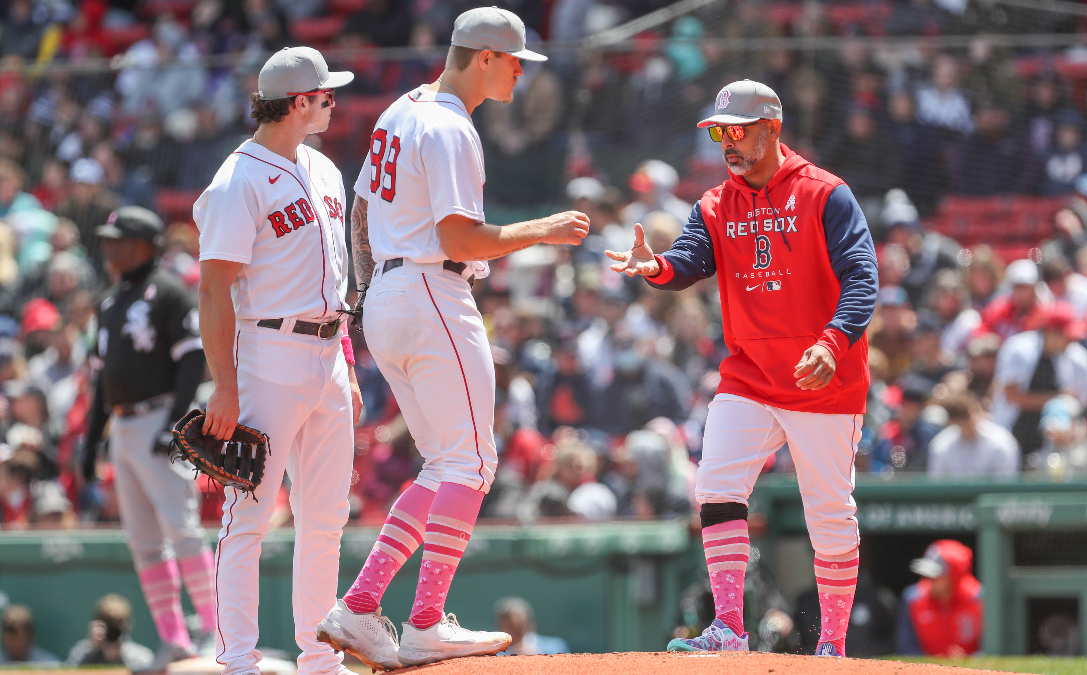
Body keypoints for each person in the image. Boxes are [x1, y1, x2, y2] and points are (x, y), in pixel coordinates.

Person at [316, 7, 588, 669]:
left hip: (388, 290)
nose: (522, 72)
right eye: (517, 59)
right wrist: (542, 228)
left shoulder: (404, 108)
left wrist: (367, 290)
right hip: (432, 289)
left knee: (444, 464)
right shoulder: (450, 126)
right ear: (486, 56)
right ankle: (426, 620)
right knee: (472, 464)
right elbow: (460, 239)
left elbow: (360, 206)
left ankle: (360, 604)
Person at [606, 79, 879, 658]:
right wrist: (654, 266)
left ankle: (832, 644)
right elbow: (688, 262)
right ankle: (729, 628)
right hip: (751, 374)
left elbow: (863, 279)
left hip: (820, 376)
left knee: (829, 512)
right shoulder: (714, 202)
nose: (727, 142)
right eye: (720, 131)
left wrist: (832, 344)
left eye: (739, 130)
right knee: (716, 488)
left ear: (772, 129)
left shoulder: (826, 194)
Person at [192, 46, 361, 675]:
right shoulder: (237, 180)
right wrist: (224, 388)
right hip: (266, 354)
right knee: (249, 517)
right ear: (299, 103)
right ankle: (239, 662)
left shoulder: (321, 168)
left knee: (325, 518)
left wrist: (342, 356)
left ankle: (319, 661)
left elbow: (334, 276)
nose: (333, 103)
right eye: (325, 95)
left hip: (326, 355)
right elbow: (214, 290)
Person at [80, 206, 212, 670]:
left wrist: (176, 424)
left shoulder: (170, 292)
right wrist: (92, 441)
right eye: (107, 239)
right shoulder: (111, 300)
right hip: (125, 426)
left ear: (144, 244)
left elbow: (194, 358)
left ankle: (219, 633)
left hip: (160, 418)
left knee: (184, 531)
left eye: (118, 239)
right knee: (144, 543)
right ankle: (176, 639)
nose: (109, 247)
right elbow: (101, 381)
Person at [991, 302, 1087, 457]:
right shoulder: (1018, 349)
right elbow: (1012, 396)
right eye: (1066, 336)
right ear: (1050, 332)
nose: (1071, 341)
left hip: (1057, 443)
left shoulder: (1079, 358)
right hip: (1013, 434)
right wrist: (1057, 398)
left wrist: (1075, 430)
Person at [895, 540, 983, 657]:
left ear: (954, 575)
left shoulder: (980, 599)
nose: (930, 581)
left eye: (936, 576)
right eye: (928, 576)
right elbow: (906, 649)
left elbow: (992, 651)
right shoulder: (912, 599)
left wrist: (967, 660)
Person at [927, 390, 1020, 478]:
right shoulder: (942, 445)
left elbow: (1005, 483)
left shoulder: (1001, 441)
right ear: (953, 422)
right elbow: (938, 483)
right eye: (964, 424)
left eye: (972, 418)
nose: (970, 426)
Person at [65, 594, 155, 670]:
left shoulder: (140, 657)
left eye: (117, 623)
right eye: (108, 623)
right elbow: (69, 672)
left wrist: (116, 659)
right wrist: (92, 651)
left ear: (127, 625)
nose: (112, 630)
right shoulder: (81, 652)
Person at [493, 597, 569, 656]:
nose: (514, 630)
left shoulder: (556, 647)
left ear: (530, 623)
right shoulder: (492, 654)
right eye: (509, 626)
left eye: (519, 625)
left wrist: (536, 656)